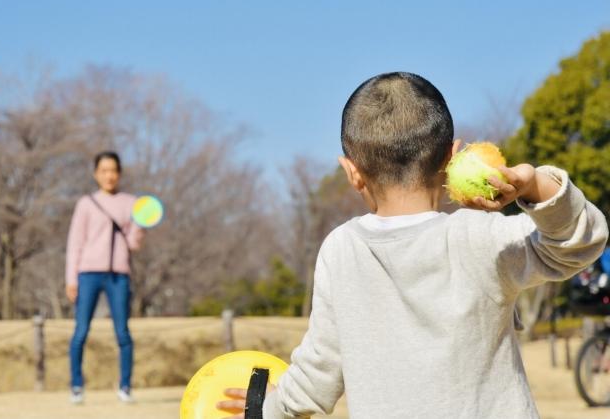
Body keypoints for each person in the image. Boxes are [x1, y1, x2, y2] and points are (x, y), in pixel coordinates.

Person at [217, 72, 609, 418]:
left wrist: (266, 409)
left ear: (352, 172)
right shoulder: (476, 236)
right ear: (452, 157)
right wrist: (535, 183)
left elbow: (319, 370)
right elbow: (580, 242)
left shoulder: (342, 250)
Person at [65, 151, 145, 404]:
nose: (109, 175)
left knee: (122, 332)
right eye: (104, 170)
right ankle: (77, 386)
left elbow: (133, 244)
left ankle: (125, 387)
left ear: (119, 173)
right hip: (88, 273)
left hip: (118, 275)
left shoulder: (132, 202)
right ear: (95, 173)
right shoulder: (86, 203)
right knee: (81, 331)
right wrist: (71, 279)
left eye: (113, 170)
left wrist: (140, 225)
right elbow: (75, 243)